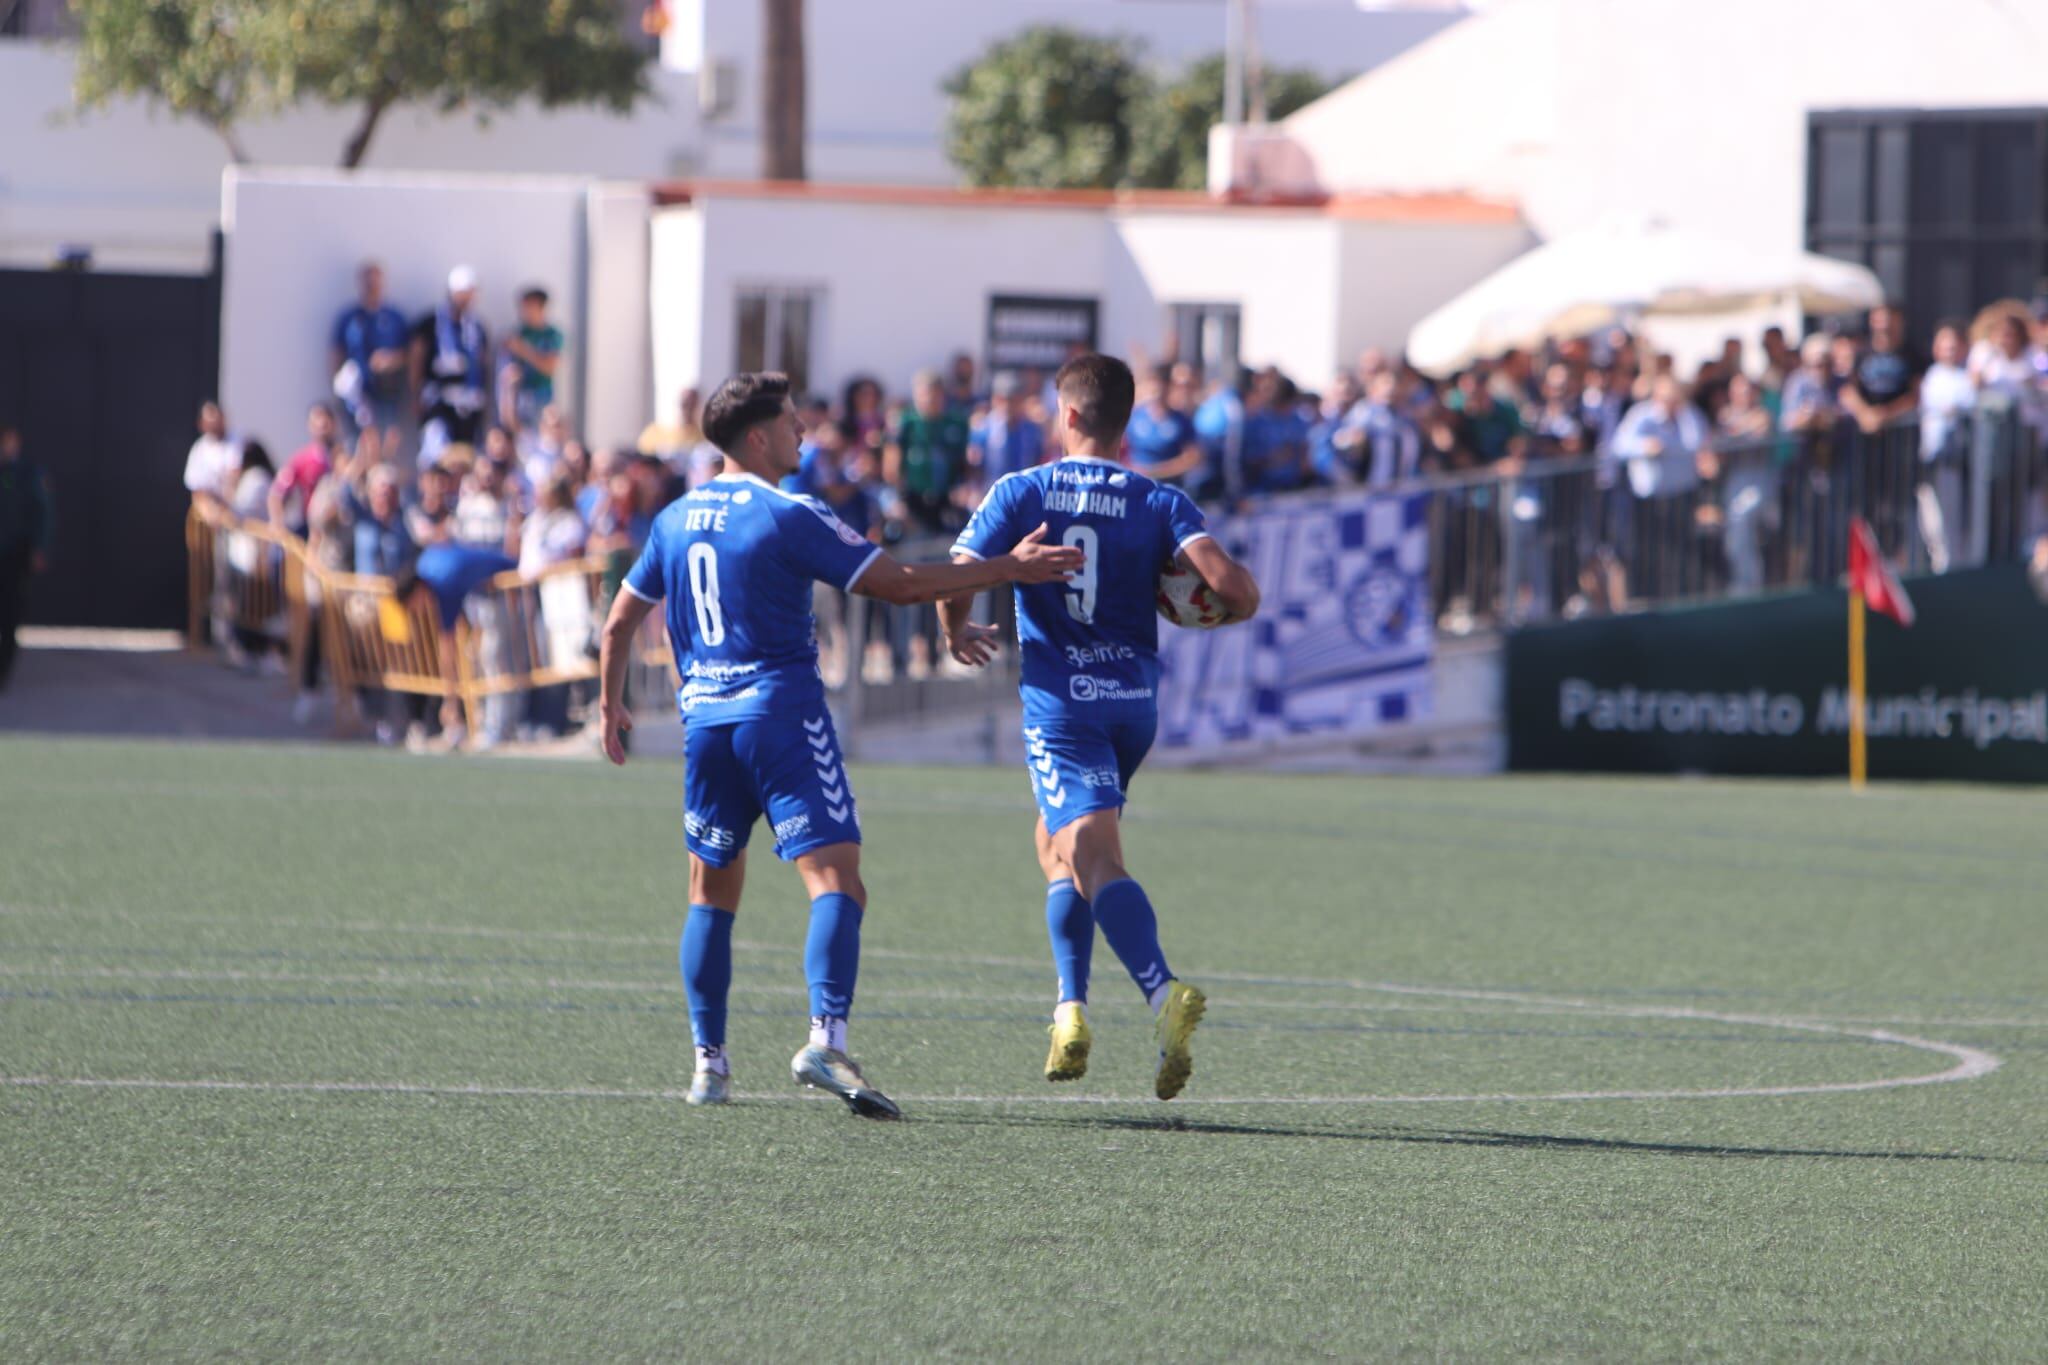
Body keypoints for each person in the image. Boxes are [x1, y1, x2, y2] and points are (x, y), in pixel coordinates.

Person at [592, 370, 1083, 1115]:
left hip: (706, 727)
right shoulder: (790, 512)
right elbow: (903, 584)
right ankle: (824, 1037)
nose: (804, 433)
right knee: (838, 884)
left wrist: (610, 704)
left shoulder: (674, 519)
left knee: (710, 891)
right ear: (757, 437)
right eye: (791, 421)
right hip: (781, 717)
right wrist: (1009, 568)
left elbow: (618, 623)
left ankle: (709, 1065)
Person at [939, 354, 1261, 1099]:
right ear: (1126, 421)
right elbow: (1234, 589)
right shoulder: (1159, 499)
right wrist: (1218, 606)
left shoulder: (1023, 490)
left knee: (1094, 857)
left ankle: (1159, 992)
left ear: (1072, 416)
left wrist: (956, 630)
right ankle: (1069, 1010)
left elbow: (958, 570)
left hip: (1063, 705)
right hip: (1133, 706)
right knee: (1057, 844)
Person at [411, 266, 491, 459]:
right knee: (437, 453)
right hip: (438, 401)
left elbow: (483, 363)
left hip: (469, 403)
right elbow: (416, 358)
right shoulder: (431, 323)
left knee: (468, 455)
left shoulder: (476, 327)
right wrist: (415, 394)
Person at [331, 261, 411, 450]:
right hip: (357, 390)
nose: (372, 287)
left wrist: (391, 360)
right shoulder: (350, 317)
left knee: (386, 438)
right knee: (358, 441)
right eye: (368, 282)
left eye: (375, 282)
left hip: (386, 390)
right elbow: (337, 352)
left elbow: (410, 354)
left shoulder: (393, 317)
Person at [0, 425, 54, 692]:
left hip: (13, 555)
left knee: (9, 614)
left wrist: (38, 548)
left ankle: (3, 673)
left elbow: (42, 512)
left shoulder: (27, 473)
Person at [499, 286, 564, 437]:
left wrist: (524, 350)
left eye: (529, 306)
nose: (524, 311)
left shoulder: (552, 335)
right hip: (519, 399)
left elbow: (550, 367)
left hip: (543, 398)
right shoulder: (517, 333)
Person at [182, 402, 242, 514]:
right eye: (210, 422)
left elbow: (234, 475)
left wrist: (224, 506)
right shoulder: (199, 448)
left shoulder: (237, 441)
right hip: (208, 509)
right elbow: (195, 486)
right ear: (202, 424)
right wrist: (207, 507)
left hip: (234, 508)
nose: (214, 425)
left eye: (216, 421)